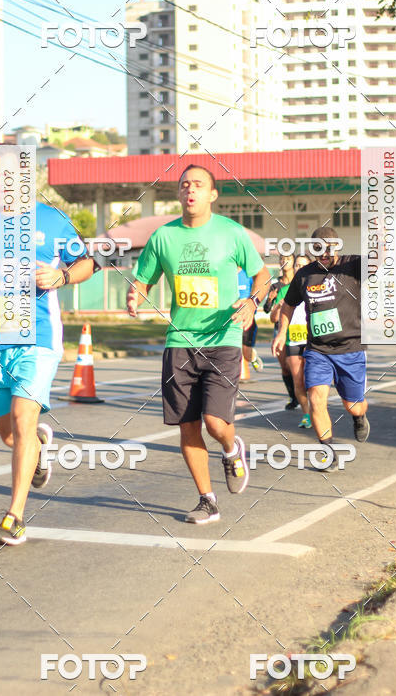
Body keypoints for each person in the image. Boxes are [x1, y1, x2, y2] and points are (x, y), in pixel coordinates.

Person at [0, 144, 94, 546]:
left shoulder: (52, 220)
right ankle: (41, 447)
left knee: (24, 420)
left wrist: (60, 277)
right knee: (10, 436)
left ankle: (15, 517)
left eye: (5, 177)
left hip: (38, 339)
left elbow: (88, 263)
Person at [127, 165, 269, 524]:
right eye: (185, 184)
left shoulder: (232, 233)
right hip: (180, 341)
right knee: (188, 425)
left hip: (223, 339)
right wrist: (136, 296)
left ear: (212, 194)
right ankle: (207, 499)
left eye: (198, 184)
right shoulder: (163, 237)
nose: (190, 190)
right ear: (179, 193)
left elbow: (262, 274)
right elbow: (144, 279)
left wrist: (253, 301)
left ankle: (231, 448)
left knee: (215, 423)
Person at [272, 227, 369, 472]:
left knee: (353, 405)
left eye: (329, 247)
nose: (324, 253)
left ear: (337, 245)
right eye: (318, 248)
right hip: (318, 350)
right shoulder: (304, 274)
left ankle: (358, 417)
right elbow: (288, 306)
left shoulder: (353, 265)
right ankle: (328, 451)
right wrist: (282, 332)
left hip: (351, 348)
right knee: (316, 398)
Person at [265, 254, 296, 410]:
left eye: (288, 259)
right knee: (284, 365)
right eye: (282, 260)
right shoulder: (276, 285)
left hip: (298, 327)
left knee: (297, 364)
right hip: (280, 328)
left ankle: (302, 393)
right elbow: (266, 309)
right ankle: (293, 397)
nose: (284, 262)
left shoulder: (299, 281)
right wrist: (271, 300)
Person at [238, 268, 263, 381]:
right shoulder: (226, 272)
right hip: (230, 319)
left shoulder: (247, 274)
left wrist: (252, 306)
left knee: (245, 352)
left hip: (247, 319)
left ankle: (252, 357)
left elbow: (259, 290)